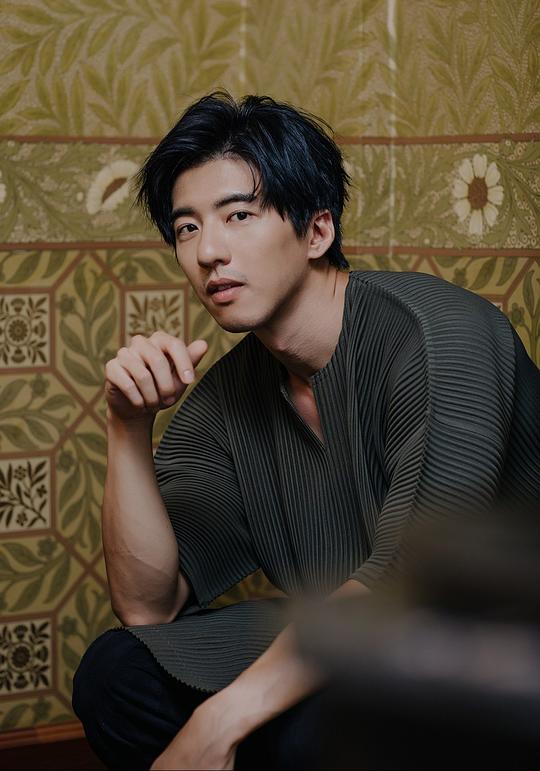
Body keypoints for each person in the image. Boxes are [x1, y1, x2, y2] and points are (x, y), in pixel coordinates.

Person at [72, 92, 540, 770]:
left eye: (238, 215)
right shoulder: (229, 394)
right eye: (186, 228)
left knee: (312, 728)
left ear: (317, 231)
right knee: (116, 674)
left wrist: (221, 718)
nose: (208, 251)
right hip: (353, 639)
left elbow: (413, 581)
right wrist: (127, 423)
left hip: (492, 645)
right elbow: (148, 606)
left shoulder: (440, 336)